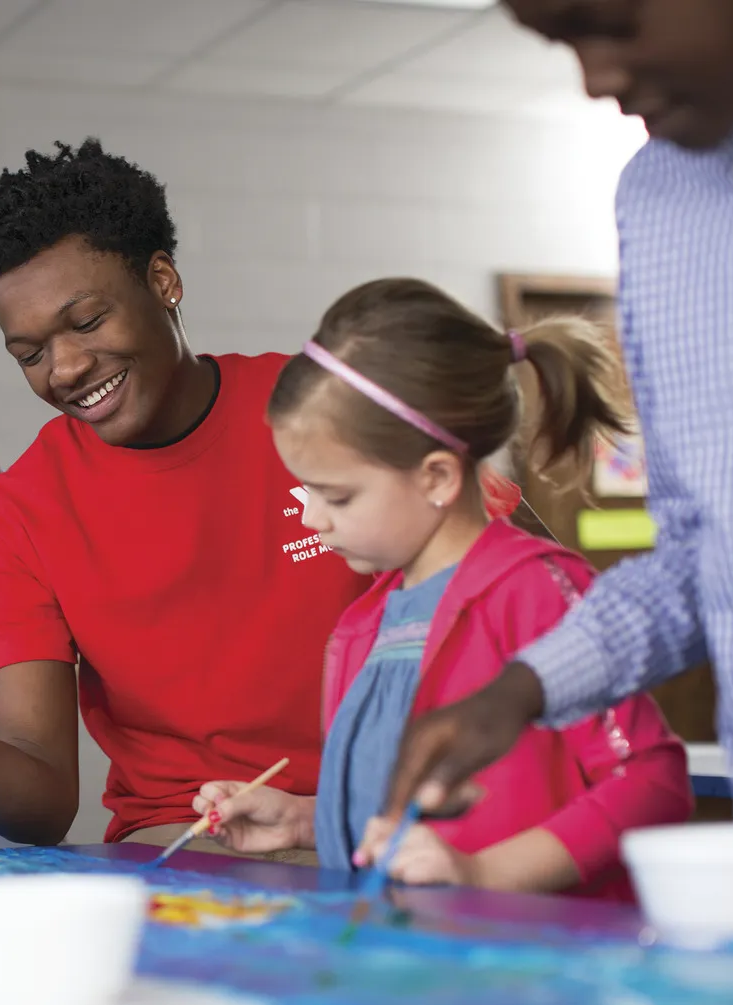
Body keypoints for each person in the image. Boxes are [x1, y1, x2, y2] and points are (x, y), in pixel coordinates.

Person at [0, 139, 370, 850]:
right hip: (190, 838)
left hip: (389, 812)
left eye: (87, 321)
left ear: (162, 280)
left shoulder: (320, 408)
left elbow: (515, 579)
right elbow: (40, 803)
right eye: (30, 354)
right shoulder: (18, 515)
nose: (65, 368)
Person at [385, 0, 733, 825]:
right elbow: (702, 555)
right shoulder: (661, 196)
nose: (594, 78)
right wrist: (520, 689)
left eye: (610, 21)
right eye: (560, 42)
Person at [197, 279, 691, 898]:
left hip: (530, 968)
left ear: (435, 476)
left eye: (337, 496)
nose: (314, 520)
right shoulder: (366, 621)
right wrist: (303, 818)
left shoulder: (536, 591)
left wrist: (484, 874)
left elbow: (653, 782)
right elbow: (402, 816)